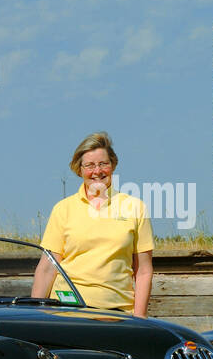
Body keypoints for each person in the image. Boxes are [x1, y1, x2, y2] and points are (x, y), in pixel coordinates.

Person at [31, 131, 154, 315]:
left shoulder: (135, 207)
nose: (97, 171)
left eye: (103, 164)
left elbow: (143, 271)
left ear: (112, 165)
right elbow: (47, 268)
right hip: (67, 312)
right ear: (79, 170)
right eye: (89, 165)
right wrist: (34, 316)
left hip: (117, 313)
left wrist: (140, 318)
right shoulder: (63, 209)